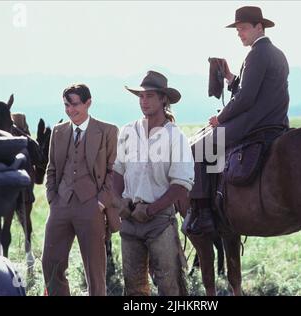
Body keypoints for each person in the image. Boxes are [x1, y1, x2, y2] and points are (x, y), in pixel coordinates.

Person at [187, 6, 290, 235]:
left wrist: (219, 118)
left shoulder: (257, 53)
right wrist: (230, 77)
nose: (240, 33)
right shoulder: (275, 53)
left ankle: (203, 213)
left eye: (244, 28)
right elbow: (252, 89)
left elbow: (246, 98)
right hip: (275, 122)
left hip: (254, 124)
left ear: (259, 27)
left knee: (197, 148)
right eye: (238, 30)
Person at [112, 71, 194, 296]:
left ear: (163, 99)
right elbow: (117, 171)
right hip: (129, 217)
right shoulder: (128, 132)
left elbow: (180, 184)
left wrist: (151, 209)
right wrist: (119, 201)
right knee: (133, 286)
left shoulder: (175, 137)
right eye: (141, 96)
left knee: (169, 284)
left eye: (149, 96)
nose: (144, 101)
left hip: (159, 221)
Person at [42, 84, 118, 296]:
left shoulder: (108, 131)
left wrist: (100, 203)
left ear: (88, 103)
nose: (70, 110)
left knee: (95, 272)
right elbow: (52, 168)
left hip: (91, 206)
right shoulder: (58, 131)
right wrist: (52, 199)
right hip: (61, 205)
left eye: (75, 104)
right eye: (66, 105)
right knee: (50, 264)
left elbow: (114, 171)